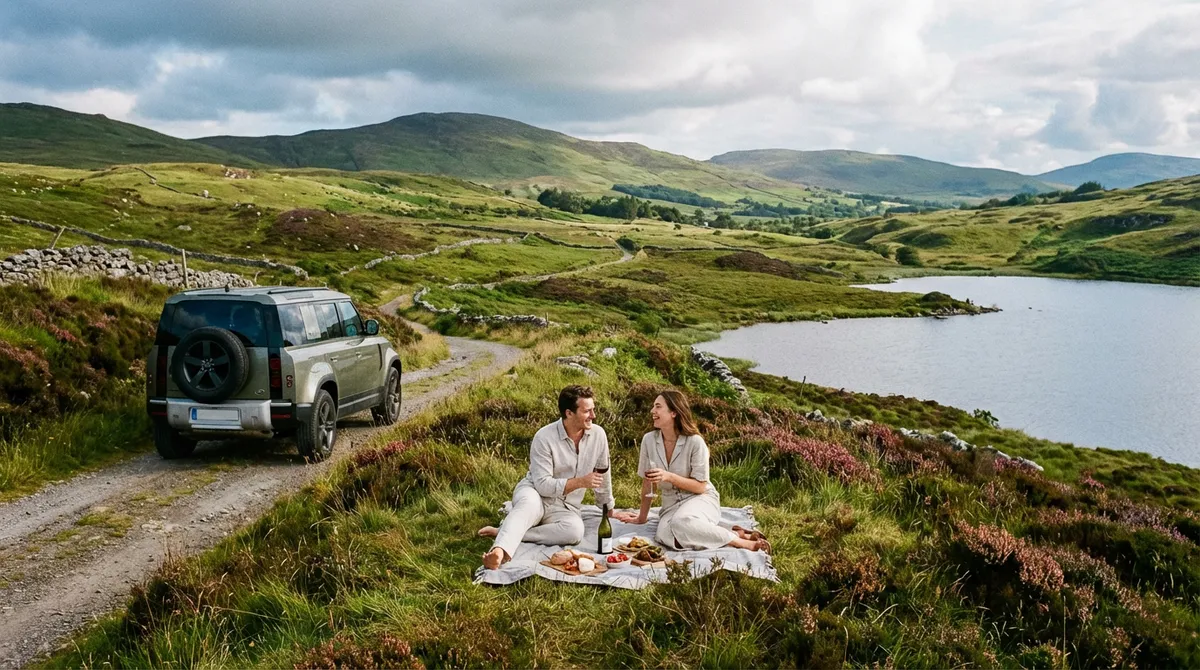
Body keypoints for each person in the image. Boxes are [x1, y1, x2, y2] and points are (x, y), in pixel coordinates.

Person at [478, 385, 623, 569]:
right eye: (587, 411)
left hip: (566, 505)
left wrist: (608, 509)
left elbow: (603, 475)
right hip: (535, 492)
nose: (593, 416)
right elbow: (543, 485)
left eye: (593, 409)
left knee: (575, 532)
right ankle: (498, 552)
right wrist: (580, 482)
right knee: (528, 505)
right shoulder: (544, 437)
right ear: (569, 413)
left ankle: (506, 531)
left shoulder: (598, 435)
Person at [627, 389, 769, 552]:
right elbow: (647, 482)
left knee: (681, 523)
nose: (652, 411)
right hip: (670, 505)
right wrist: (641, 517)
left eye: (658, 407)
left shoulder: (695, 442)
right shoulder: (649, 440)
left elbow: (701, 487)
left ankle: (739, 542)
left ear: (674, 412)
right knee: (666, 536)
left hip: (700, 498)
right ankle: (734, 532)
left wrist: (669, 477)